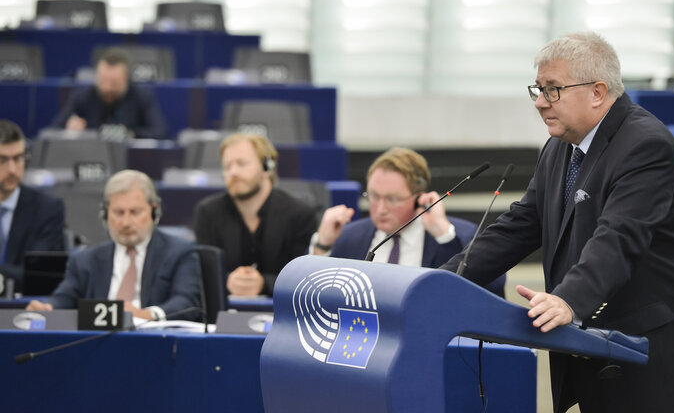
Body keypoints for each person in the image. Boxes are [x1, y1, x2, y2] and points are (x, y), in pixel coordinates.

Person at [441, 32, 674, 412]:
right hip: (598, 351)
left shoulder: (645, 145)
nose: (541, 102)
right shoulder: (560, 146)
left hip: (652, 358)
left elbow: (618, 237)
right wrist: (439, 280)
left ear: (597, 91)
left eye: (554, 89)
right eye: (539, 89)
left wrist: (568, 299)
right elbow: (520, 226)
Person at [313, 147, 505, 296]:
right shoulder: (351, 237)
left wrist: (444, 236)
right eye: (373, 196)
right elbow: (320, 294)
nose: (380, 209)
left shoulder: (462, 236)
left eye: (392, 199)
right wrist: (323, 246)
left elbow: (493, 291)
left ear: (418, 198)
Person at [27, 170, 200, 321]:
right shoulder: (85, 260)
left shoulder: (179, 253)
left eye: (135, 212)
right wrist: (48, 309)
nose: (125, 222)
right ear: (105, 215)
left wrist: (146, 315)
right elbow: (64, 298)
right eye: (118, 212)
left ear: (154, 211)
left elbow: (186, 301)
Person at [193, 133, 317, 297]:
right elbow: (201, 273)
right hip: (225, 313)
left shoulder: (300, 214)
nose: (233, 172)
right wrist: (227, 280)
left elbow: (305, 279)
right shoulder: (208, 212)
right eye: (227, 166)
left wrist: (264, 284)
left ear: (267, 167)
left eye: (242, 164)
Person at [0, 120, 65, 290]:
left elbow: (39, 277)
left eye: (18, 158)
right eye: (3, 160)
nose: (12, 169)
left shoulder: (48, 209)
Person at [52, 47, 167, 139]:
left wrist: (133, 135)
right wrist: (68, 130)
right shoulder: (83, 97)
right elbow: (52, 131)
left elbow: (160, 132)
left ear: (126, 79)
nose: (108, 88)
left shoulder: (142, 97)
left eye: (114, 83)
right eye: (103, 81)